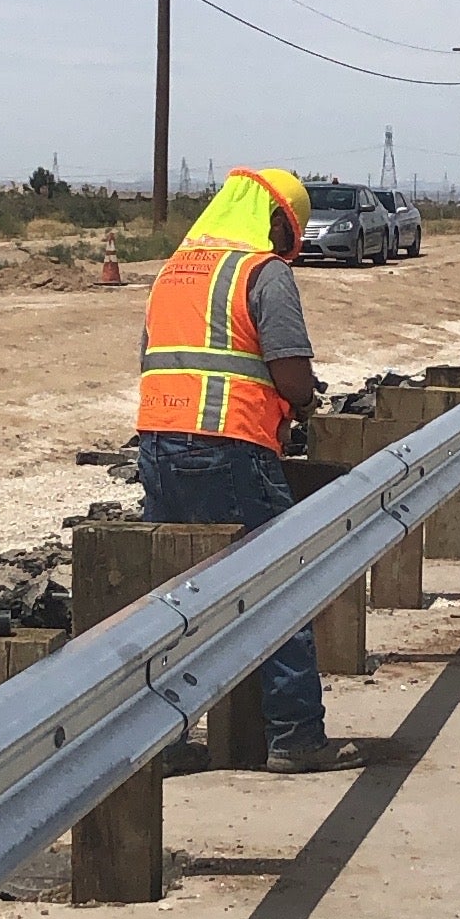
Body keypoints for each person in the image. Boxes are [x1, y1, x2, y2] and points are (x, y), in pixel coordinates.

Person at [132, 162, 336, 774]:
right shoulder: (261, 272)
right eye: (288, 233)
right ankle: (295, 734)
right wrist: (303, 401)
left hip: (159, 443)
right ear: (274, 218)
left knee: (174, 593)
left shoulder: (175, 270)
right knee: (277, 583)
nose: (286, 247)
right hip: (231, 446)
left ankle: (162, 739)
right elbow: (290, 371)